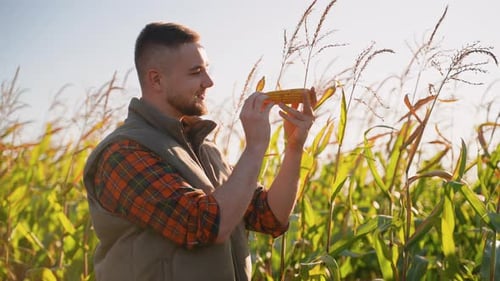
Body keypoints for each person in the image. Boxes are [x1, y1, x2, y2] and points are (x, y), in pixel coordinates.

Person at [83, 21, 316, 281]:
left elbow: (270, 215)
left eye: (206, 70)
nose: (209, 82)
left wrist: (294, 147)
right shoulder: (122, 153)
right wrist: (255, 147)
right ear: (156, 79)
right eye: (196, 72)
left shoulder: (204, 149)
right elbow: (205, 225)